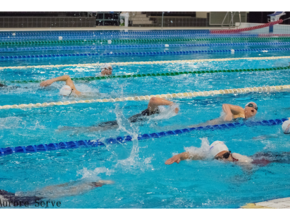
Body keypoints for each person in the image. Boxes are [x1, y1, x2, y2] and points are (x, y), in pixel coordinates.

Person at [58, 97, 179, 132]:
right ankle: (73, 129)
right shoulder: (152, 112)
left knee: (98, 127)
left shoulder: (153, 114)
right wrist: (171, 103)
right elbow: (153, 100)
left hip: (127, 121)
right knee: (97, 129)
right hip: (128, 122)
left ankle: (71, 129)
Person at [165, 140, 290, 169]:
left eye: (225, 156)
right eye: (219, 159)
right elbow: (195, 155)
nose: (224, 160)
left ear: (229, 153)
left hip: (262, 159)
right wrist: (179, 156)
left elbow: (249, 169)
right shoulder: (213, 156)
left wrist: (240, 179)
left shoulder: (238, 158)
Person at [0, 180, 113, 207]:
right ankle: (86, 182)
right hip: (7, 196)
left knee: (56, 194)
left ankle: (93, 184)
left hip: (11, 201)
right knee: (41, 192)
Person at [190, 102, 258, 127]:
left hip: (219, 125)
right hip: (215, 122)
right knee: (195, 127)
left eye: (256, 108)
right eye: (251, 105)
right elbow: (225, 105)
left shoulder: (247, 120)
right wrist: (229, 114)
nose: (253, 108)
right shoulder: (241, 110)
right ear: (245, 107)